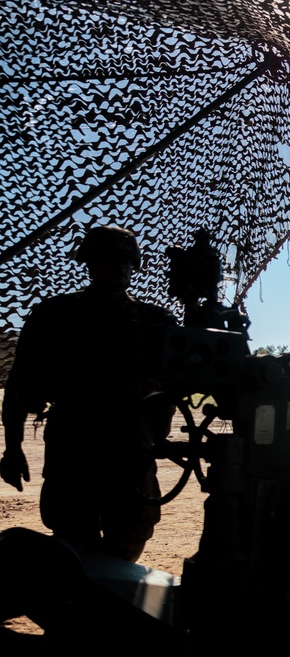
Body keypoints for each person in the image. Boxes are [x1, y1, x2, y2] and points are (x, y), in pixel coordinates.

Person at [0, 225, 176, 562]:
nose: (119, 266)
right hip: (73, 441)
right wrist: (12, 449)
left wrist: (156, 437)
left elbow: (171, 390)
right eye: (110, 259)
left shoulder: (155, 322)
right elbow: (20, 384)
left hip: (129, 443)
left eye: (126, 260)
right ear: (90, 264)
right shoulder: (54, 316)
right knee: (73, 542)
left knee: (129, 538)